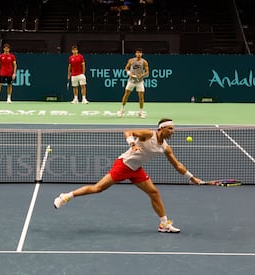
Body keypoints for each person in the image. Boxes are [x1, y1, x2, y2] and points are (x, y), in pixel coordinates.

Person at [53, 118, 203, 233]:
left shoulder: (165, 147)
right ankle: (66, 196)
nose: (173, 131)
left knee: (154, 192)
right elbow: (128, 131)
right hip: (123, 165)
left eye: (173, 129)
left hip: (136, 169)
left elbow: (177, 165)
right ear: (162, 128)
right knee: (97, 188)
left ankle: (164, 224)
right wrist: (132, 144)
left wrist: (192, 178)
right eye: (170, 128)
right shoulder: (148, 134)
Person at [117, 48, 149, 118]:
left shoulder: (144, 62)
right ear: (135, 53)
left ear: (141, 54)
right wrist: (130, 74)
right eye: (137, 52)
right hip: (131, 81)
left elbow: (147, 72)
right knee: (126, 95)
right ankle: (122, 110)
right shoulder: (131, 60)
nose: (139, 54)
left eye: (140, 53)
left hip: (140, 82)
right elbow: (126, 68)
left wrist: (141, 75)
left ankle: (141, 112)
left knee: (141, 97)